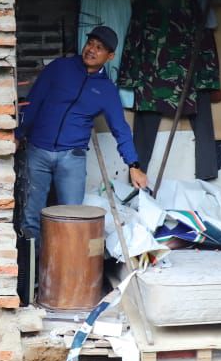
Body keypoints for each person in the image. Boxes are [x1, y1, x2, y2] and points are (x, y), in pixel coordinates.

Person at [17, 25, 149, 240]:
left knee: (72, 218)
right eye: (90, 43)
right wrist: (17, 134)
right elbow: (34, 101)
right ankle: (34, 270)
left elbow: (120, 128)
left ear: (110, 55)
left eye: (99, 47)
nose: (91, 50)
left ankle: (66, 271)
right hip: (38, 151)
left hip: (72, 157)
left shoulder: (106, 90)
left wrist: (134, 165)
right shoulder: (60, 68)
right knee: (32, 217)